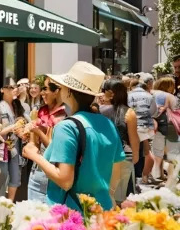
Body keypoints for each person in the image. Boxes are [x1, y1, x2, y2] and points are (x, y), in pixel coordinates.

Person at [22, 62, 125, 212]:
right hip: (101, 208)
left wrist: (34, 156)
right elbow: (117, 169)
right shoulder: (107, 123)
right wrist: (108, 195)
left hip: (70, 215)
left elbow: (65, 180)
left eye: (63, 86)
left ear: (69, 92)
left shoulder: (67, 127)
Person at [26, 79, 67, 203]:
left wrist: (37, 131)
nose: (42, 92)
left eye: (45, 89)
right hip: (36, 170)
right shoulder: (41, 111)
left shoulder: (63, 116)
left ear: (56, 92)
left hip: (52, 172)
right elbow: (35, 142)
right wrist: (30, 138)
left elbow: (53, 147)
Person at [100, 79, 140, 202]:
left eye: (103, 91)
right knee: (121, 196)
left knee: (105, 193)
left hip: (103, 156)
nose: (101, 94)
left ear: (111, 93)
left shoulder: (98, 110)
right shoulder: (129, 112)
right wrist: (136, 156)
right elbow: (134, 139)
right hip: (124, 155)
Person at [0, 81, 28, 201]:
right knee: (3, 177)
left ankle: (10, 203)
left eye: (16, 87)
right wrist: (13, 127)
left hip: (15, 146)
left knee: (16, 177)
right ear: (2, 90)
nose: (15, 89)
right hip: (3, 147)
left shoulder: (17, 105)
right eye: (11, 87)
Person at [127, 77, 156, 185]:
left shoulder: (129, 95)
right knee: (144, 151)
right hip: (145, 127)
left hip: (133, 125)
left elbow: (127, 109)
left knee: (134, 150)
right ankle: (139, 176)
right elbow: (154, 111)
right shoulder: (149, 96)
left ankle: (134, 177)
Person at [151, 76, 180, 184]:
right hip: (171, 125)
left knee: (159, 150)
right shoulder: (171, 96)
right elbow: (176, 109)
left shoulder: (153, 94)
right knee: (173, 151)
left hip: (157, 124)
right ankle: (172, 177)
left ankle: (160, 174)